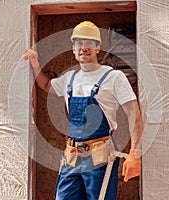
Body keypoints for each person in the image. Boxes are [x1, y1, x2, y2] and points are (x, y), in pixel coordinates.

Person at [23, 21, 143, 200]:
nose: (83, 48)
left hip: (99, 158)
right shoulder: (69, 78)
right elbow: (46, 84)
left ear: (98, 47)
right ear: (73, 48)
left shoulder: (113, 77)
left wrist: (135, 153)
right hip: (72, 158)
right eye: (79, 43)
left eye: (89, 43)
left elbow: (134, 114)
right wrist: (35, 64)